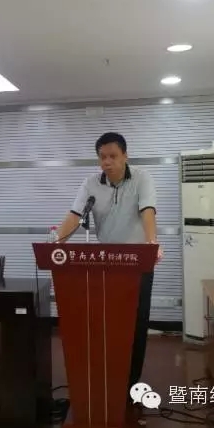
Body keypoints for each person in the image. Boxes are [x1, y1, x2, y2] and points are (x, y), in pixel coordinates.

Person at [56, 131, 163, 395]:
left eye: (113, 156)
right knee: (108, 323)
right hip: (106, 264)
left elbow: (147, 211)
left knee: (136, 323)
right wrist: (56, 245)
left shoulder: (142, 179)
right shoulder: (91, 184)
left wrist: (152, 242)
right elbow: (75, 215)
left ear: (125, 155)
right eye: (102, 157)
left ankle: (131, 382)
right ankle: (108, 376)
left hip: (137, 263)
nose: (107, 162)